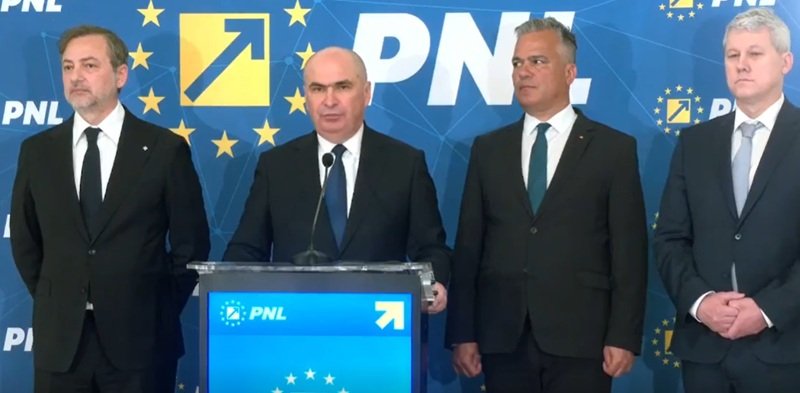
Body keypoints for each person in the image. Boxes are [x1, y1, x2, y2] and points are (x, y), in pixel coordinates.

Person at [445, 17, 648, 393]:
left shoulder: (613, 149)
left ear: (570, 73)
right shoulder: (488, 150)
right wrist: (462, 333)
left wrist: (624, 335)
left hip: (583, 341)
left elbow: (629, 252)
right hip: (502, 337)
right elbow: (470, 246)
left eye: (538, 61)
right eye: (517, 63)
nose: (523, 72)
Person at [10, 25, 209, 393]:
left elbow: (191, 246)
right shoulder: (38, 152)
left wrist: (153, 306)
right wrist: (61, 299)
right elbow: (26, 241)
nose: (76, 77)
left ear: (120, 75)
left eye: (89, 65)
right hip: (61, 346)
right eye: (68, 67)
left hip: (142, 344)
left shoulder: (164, 150)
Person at [223, 46, 450, 312]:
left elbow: (431, 249)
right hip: (297, 321)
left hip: (380, 323)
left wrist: (432, 284)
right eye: (318, 89)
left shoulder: (404, 163)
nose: (329, 101)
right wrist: (230, 286)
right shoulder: (276, 166)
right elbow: (245, 250)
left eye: (342, 87)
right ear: (306, 97)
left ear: (366, 92)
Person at [654, 8, 799, 393]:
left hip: (786, 350)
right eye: (733, 55)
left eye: (755, 53)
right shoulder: (694, 143)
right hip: (705, 352)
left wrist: (767, 310)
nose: (742, 64)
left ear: (786, 62)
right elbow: (670, 239)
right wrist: (700, 302)